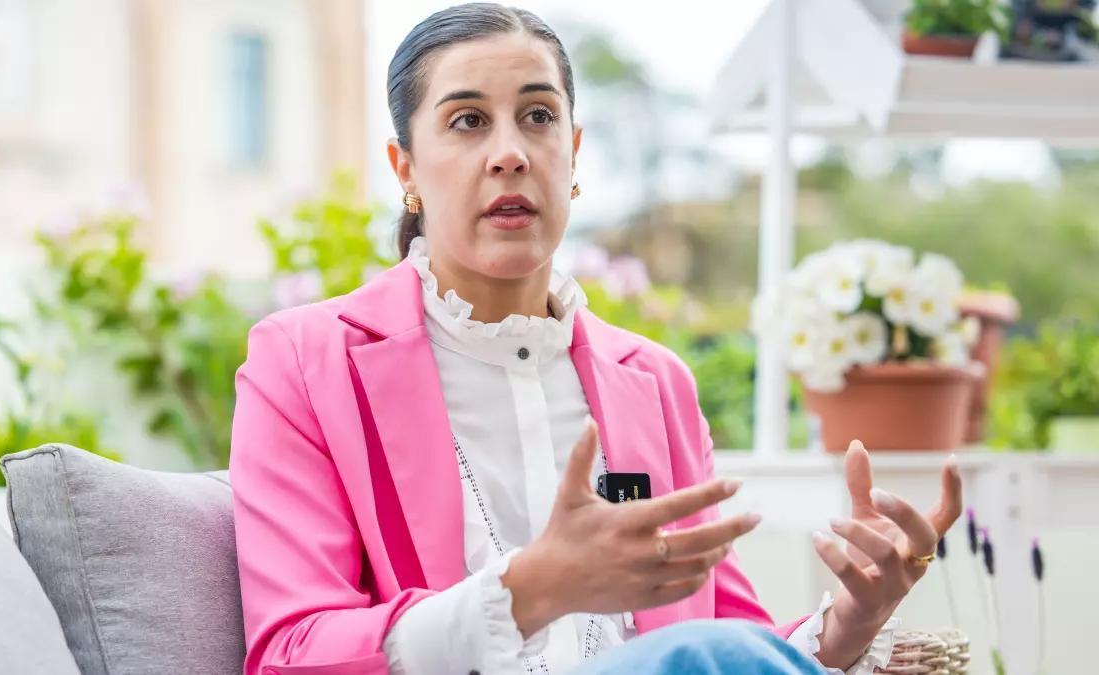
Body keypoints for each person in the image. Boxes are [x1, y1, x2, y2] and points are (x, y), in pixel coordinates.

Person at [229, 4, 963, 674]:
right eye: (468, 121)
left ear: (574, 154)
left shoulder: (655, 382)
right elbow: (291, 653)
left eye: (538, 116)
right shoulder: (305, 361)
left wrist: (851, 619)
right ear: (405, 169)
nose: (510, 153)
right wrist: (529, 590)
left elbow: (730, 639)